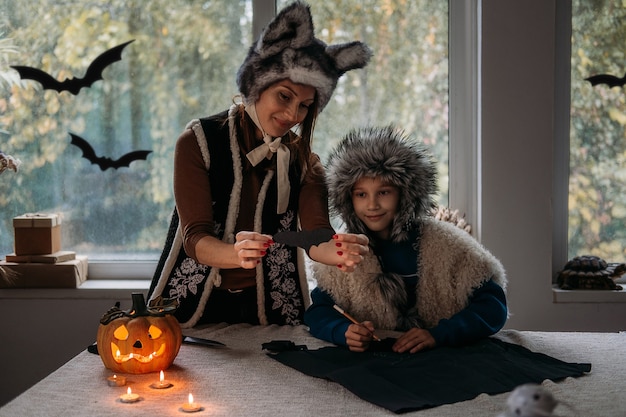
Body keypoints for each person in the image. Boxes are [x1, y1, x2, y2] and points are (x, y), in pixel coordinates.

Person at [148, 1, 372, 328]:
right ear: (257, 83)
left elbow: (316, 235)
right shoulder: (196, 143)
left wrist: (337, 253)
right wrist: (234, 253)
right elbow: (195, 237)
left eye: (305, 106)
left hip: (272, 312)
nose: (294, 115)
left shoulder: (307, 163)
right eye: (284, 96)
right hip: (192, 310)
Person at [304, 126, 508, 353]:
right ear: (347, 199)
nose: (372, 205)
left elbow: (493, 306)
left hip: (444, 357)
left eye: (384, 192)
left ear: (406, 193)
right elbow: (319, 311)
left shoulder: (447, 244)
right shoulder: (345, 251)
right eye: (361, 194)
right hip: (377, 364)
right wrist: (343, 331)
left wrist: (440, 334)